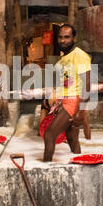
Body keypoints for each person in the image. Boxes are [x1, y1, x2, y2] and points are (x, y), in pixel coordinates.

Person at [43, 24, 91, 162]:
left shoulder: (79, 55)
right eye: (60, 37)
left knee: (49, 135)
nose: (63, 40)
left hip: (73, 101)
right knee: (71, 138)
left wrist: (81, 112)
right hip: (65, 99)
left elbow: (87, 84)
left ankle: (45, 170)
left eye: (67, 37)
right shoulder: (65, 56)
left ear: (74, 38)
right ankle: (80, 167)